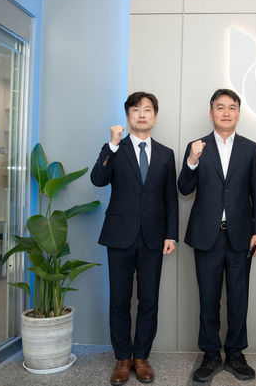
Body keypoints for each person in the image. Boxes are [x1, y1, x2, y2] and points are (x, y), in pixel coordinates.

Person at [178, 89, 256, 383]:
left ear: (239, 113)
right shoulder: (197, 147)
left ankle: (236, 354)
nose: (226, 112)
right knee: (208, 298)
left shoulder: (250, 149)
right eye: (220, 107)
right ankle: (211, 354)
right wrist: (191, 160)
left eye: (231, 107)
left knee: (239, 298)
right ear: (211, 112)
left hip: (241, 236)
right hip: (207, 236)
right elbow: (184, 188)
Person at [91, 91, 178, 385]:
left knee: (149, 300)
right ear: (128, 116)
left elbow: (170, 199)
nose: (142, 114)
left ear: (155, 115)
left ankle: (141, 357)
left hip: (154, 237)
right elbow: (97, 179)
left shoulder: (166, 154)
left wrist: (171, 234)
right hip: (119, 236)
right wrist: (112, 145)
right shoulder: (116, 148)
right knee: (119, 300)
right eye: (136, 110)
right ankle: (122, 358)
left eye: (148, 109)